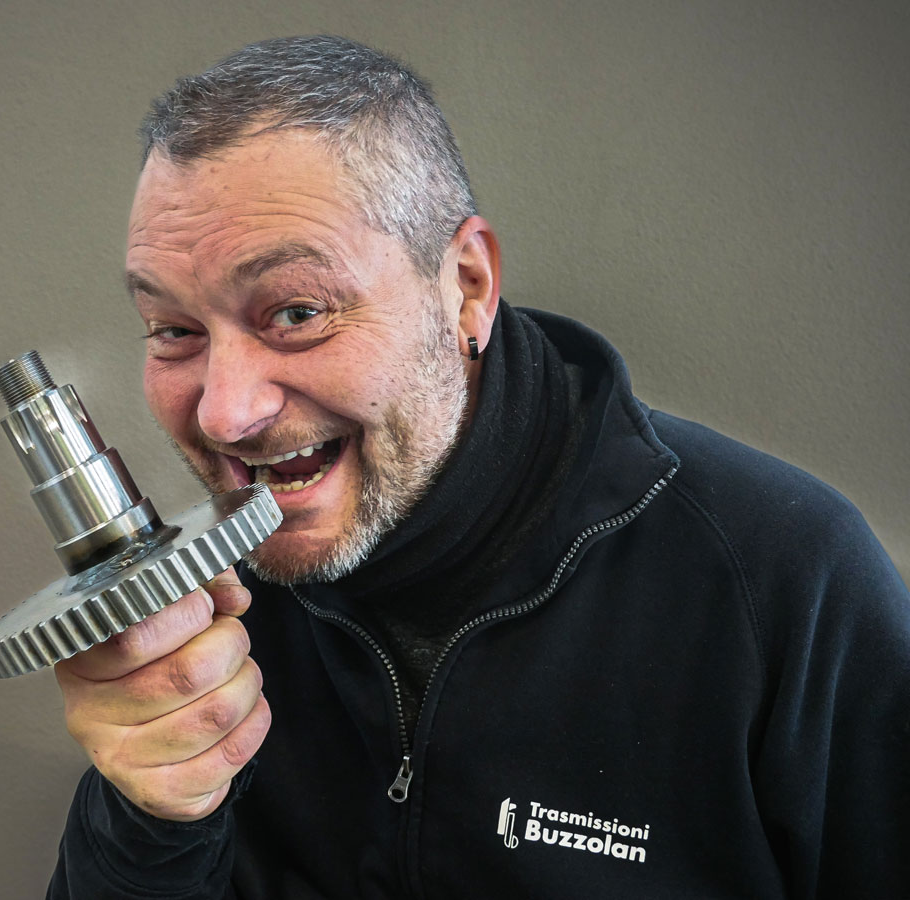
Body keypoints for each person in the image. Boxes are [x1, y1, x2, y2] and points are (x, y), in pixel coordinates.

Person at [46, 36, 910, 899]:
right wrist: (147, 821)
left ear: (466, 287)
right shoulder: (209, 622)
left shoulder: (786, 582)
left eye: (298, 311)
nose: (224, 414)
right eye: (175, 331)